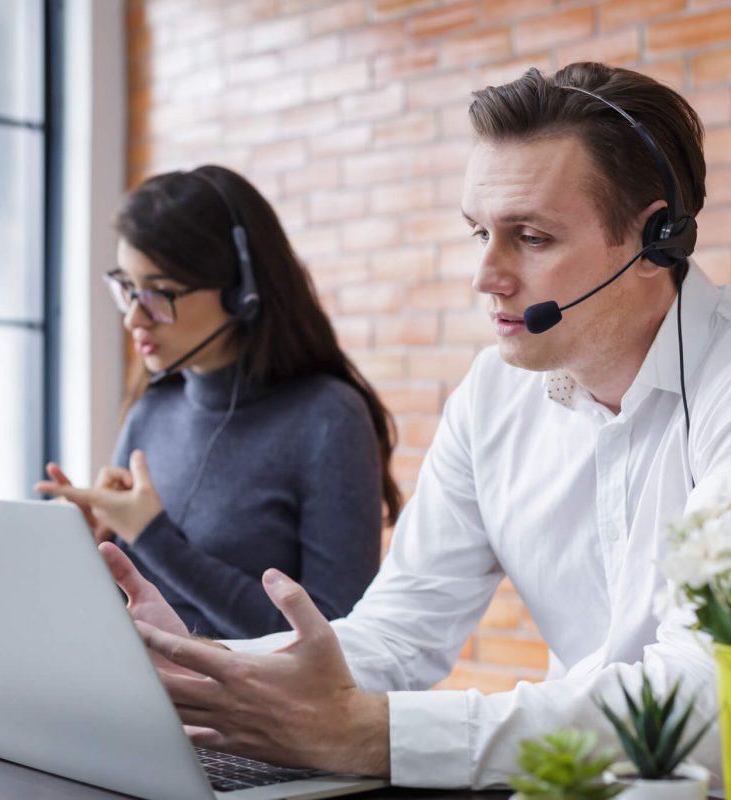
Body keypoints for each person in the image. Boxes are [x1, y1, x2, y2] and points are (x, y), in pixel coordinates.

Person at [97, 62, 727, 788]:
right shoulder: (493, 396)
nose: (486, 276)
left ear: (657, 241)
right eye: (478, 234)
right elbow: (399, 630)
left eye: (530, 237)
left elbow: (703, 701)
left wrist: (374, 734)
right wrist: (211, 668)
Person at [36, 165, 401, 639]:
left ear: (241, 292)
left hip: (241, 713)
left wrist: (152, 536)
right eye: (127, 287)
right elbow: (130, 615)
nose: (133, 318)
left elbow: (334, 642)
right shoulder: (153, 407)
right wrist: (91, 553)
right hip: (139, 694)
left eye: (158, 293)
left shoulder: (328, 418)